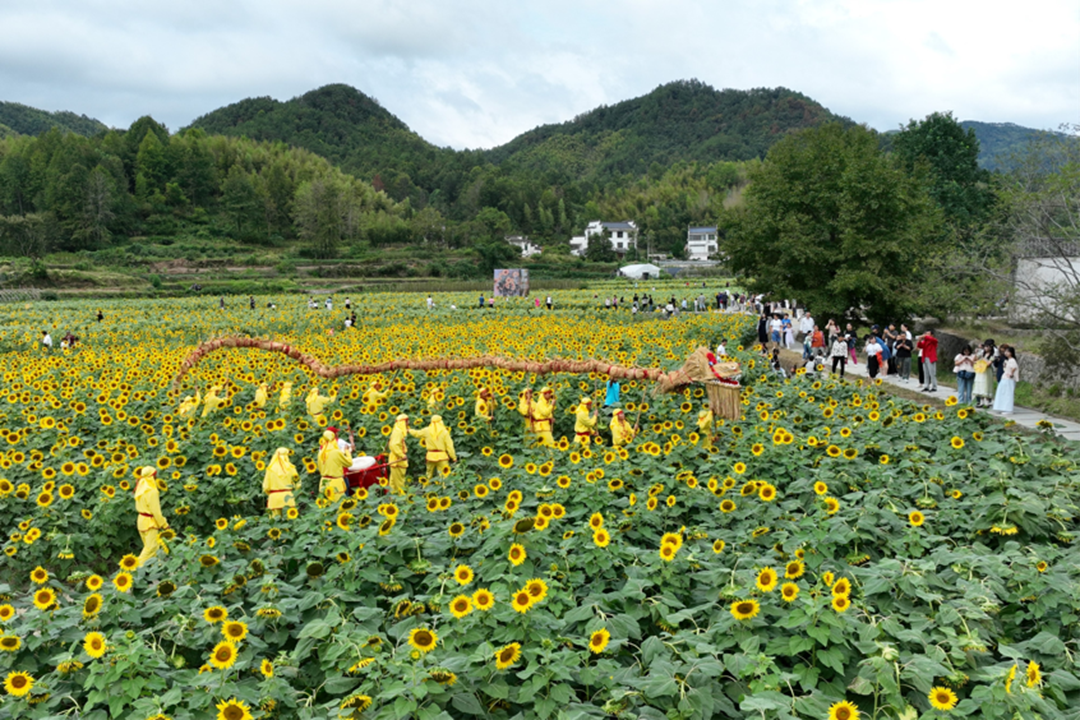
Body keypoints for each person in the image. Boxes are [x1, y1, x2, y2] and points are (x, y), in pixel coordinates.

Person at [134, 466, 169, 566]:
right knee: (150, 549)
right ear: (152, 476)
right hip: (150, 523)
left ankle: (157, 569)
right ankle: (132, 569)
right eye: (155, 475)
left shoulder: (141, 487)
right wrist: (164, 524)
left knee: (153, 548)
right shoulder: (152, 491)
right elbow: (156, 511)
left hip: (141, 520)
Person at [263, 448, 299, 516]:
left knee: (275, 523)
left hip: (274, 499)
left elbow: (266, 487)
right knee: (289, 522)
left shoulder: (270, 469)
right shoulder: (291, 468)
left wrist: (271, 494)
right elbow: (298, 484)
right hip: (288, 498)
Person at [317, 429, 351, 502]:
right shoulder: (336, 452)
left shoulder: (321, 453)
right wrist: (347, 451)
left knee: (326, 507)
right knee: (340, 506)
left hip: (323, 483)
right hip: (336, 484)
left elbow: (320, 468)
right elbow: (349, 463)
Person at [387, 415, 410, 494]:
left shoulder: (396, 430)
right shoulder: (399, 432)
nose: (408, 423)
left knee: (393, 483)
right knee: (400, 483)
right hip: (397, 460)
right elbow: (393, 445)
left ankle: (392, 499)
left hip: (394, 459)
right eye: (407, 421)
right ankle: (402, 500)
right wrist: (402, 455)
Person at [992, 347, 1019, 413]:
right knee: (1003, 393)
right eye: (1005, 351)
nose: (1006, 353)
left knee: (1007, 394)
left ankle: (1008, 409)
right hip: (1004, 378)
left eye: (1008, 352)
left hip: (1009, 379)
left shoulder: (1012, 360)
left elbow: (1014, 367)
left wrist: (1011, 374)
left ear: (1011, 353)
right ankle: (1003, 408)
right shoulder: (1008, 360)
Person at [973, 341, 994, 408]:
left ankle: (987, 402)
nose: (986, 348)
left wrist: (983, 359)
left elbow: (988, 364)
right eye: (985, 346)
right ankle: (981, 402)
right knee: (980, 384)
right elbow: (975, 359)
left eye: (987, 346)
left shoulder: (992, 355)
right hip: (980, 370)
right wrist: (976, 353)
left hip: (987, 372)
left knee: (986, 385)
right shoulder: (982, 353)